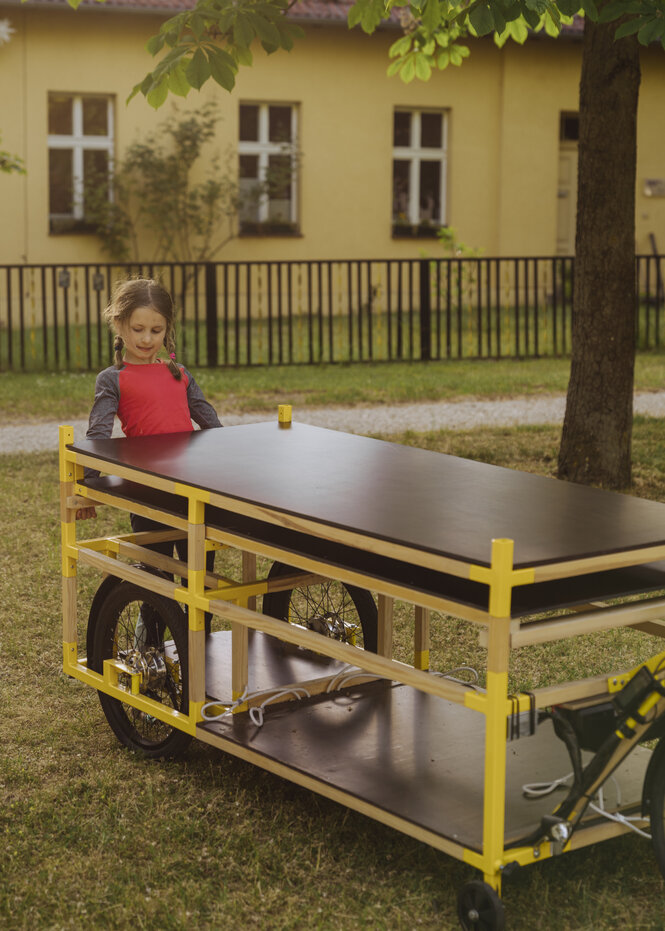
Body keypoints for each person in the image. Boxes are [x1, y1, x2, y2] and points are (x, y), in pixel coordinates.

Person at [77, 277, 222, 585]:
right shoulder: (113, 378)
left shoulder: (179, 373)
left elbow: (210, 423)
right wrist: (88, 486)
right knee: (156, 583)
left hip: (192, 490)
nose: (147, 339)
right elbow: (99, 433)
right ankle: (150, 636)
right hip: (147, 493)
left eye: (156, 330)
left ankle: (197, 635)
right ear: (119, 324)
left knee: (202, 581)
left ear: (167, 327)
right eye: (138, 329)